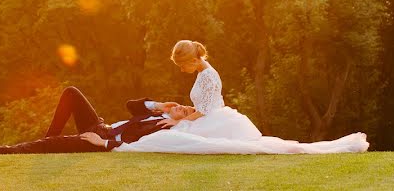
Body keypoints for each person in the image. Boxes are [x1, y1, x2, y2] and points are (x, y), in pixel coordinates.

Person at [112, 40, 370, 154]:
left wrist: (180, 121)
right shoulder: (203, 74)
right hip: (206, 115)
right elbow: (201, 104)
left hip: (213, 119)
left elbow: (207, 109)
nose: (181, 71)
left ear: (192, 60)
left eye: (182, 66)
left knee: (183, 139)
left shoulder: (209, 75)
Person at [0, 86, 195, 154]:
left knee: (53, 145)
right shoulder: (157, 114)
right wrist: (157, 105)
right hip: (101, 126)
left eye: (186, 111)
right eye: (184, 105)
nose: (183, 107)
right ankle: (49, 139)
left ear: (183, 122)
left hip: (101, 140)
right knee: (71, 93)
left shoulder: (164, 130)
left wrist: (103, 144)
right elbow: (130, 105)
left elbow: (137, 147)